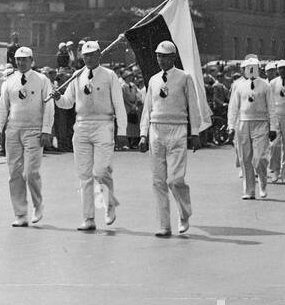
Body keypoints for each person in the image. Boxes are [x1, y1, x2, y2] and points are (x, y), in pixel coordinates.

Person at [54, 40, 128, 230]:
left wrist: (122, 131)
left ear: (99, 55)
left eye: (92, 54)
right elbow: (68, 102)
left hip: (104, 124)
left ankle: (109, 205)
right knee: (84, 175)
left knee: (101, 171)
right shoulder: (77, 76)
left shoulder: (109, 75)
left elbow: (119, 104)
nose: (88, 58)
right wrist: (58, 98)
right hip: (81, 125)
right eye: (85, 55)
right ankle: (88, 218)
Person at [138, 40, 203, 236]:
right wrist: (143, 134)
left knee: (175, 179)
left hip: (178, 129)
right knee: (158, 181)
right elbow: (147, 109)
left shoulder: (184, 77)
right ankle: (164, 225)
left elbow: (193, 105)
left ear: (173, 57)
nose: (161, 60)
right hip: (156, 130)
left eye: (165, 56)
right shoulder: (153, 80)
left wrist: (195, 132)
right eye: (159, 56)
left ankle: (184, 214)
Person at [0, 46, 54, 227]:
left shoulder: (42, 80)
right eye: (18, 59)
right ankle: (20, 214)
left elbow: (49, 106)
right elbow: (2, 108)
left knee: (30, 172)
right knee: (15, 174)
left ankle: (38, 205)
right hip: (13, 130)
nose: (21, 62)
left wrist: (46, 129)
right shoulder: (9, 82)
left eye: (25, 59)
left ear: (32, 61)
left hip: (34, 130)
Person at [228, 54, 275, 199]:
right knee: (245, 158)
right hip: (243, 123)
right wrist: (231, 126)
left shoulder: (265, 85)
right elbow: (233, 107)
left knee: (260, 158)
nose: (251, 70)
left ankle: (262, 181)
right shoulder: (238, 86)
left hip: (261, 123)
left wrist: (273, 127)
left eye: (254, 67)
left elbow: (271, 107)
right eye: (248, 68)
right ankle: (249, 190)